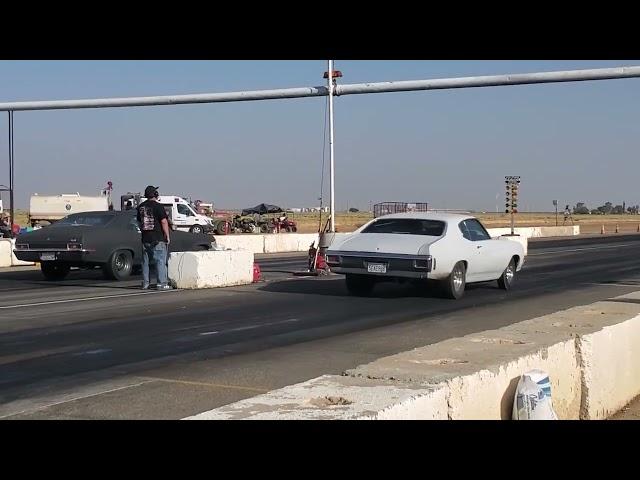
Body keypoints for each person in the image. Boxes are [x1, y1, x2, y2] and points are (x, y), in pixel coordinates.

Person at [136, 185, 172, 290]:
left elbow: (139, 222)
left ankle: (145, 283)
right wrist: (167, 235)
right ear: (155, 194)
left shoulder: (140, 207)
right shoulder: (158, 206)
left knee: (145, 262)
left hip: (145, 238)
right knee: (160, 260)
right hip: (157, 238)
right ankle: (161, 283)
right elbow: (164, 221)